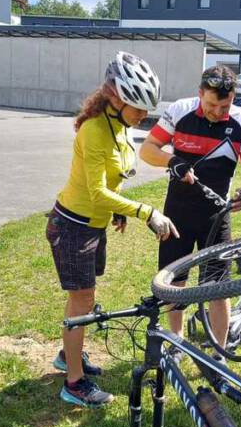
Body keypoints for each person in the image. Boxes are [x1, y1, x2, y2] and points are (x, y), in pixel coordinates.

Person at [47, 51, 178, 408]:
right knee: (82, 301)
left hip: (92, 224)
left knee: (82, 299)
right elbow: (96, 192)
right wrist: (144, 212)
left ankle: (68, 356)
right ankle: (74, 383)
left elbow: (113, 178)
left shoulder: (118, 125)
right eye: (138, 108)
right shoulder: (94, 130)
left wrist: (117, 210)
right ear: (116, 98)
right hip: (72, 226)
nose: (143, 116)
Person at [139, 65, 241, 355]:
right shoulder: (180, 110)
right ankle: (176, 342)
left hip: (216, 216)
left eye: (224, 106)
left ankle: (220, 351)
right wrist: (172, 161)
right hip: (177, 212)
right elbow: (147, 149)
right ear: (200, 94)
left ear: (233, 99)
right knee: (175, 282)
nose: (217, 112)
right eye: (211, 105)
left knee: (218, 286)